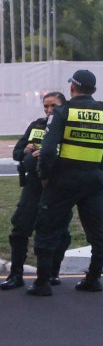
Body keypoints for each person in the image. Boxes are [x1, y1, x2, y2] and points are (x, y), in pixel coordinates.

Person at [28, 70, 103, 296]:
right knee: (97, 231)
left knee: (47, 228)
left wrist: (44, 175)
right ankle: (93, 278)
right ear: (94, 90)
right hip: (94, 179)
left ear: (72, 88)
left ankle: (42, 283)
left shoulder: (62, 112)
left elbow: (48, 150)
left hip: (63, 179)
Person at [2, 92, 67, 290]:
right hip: (32, 186)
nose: (49, 110)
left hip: (57, 187)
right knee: (20, 229)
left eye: (53, 106)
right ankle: (16, 275)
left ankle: (52, 274)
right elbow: (16, 153)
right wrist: (26, 151)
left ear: (63, 106)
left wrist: (50, 154)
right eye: (46, 106)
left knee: (59, 232)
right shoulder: (36, 125)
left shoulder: (69, 128)